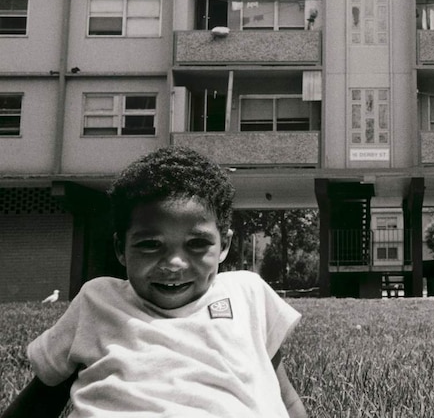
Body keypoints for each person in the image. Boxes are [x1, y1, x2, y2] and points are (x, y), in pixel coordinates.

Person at [1, 146, 307, 418]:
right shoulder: (98, 300)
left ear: (224, 245)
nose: (174, 263)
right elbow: (41, 398)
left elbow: (284, 397)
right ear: (121, 248)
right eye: (150, 244)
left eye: (197, 244)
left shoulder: (246, 293)